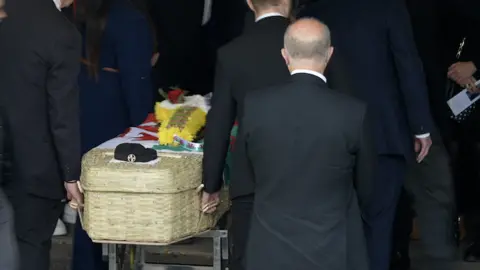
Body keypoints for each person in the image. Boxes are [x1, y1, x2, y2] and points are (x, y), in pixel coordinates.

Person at [299, 1, 435, 270]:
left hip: (328, 135)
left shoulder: (313, 10)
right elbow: (408, 65)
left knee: (330, 226)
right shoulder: (389, 8)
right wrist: (421, 127)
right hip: (383, 132)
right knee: (379, 225)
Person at [241, 18, 375, 270]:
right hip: (333, 248)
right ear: (330, 54)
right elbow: (367, 187)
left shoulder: (255, 106)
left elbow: (247, 173)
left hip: (269, 249)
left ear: (285, 55)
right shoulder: (353, 112)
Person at [201, 0, 292, 269]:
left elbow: (219, 122)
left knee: (249, 258)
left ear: (249, 3)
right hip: (306, 173)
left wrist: (211, 184)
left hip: (250, 175)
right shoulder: (311, 46)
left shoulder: (232, 53)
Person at [0, 0, 84, 269]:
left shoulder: (6, 13)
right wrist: (72, 174)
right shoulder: (60, 32)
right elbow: (62, 113)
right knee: (31, 246)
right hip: (34, 165)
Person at [71, 0, 155, 269]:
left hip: (80, 112)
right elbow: (136, 80)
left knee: (88, 206)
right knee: (116, 206)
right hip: (114, 121)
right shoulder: (130, 20)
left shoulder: (75, 13)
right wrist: (145, 125)